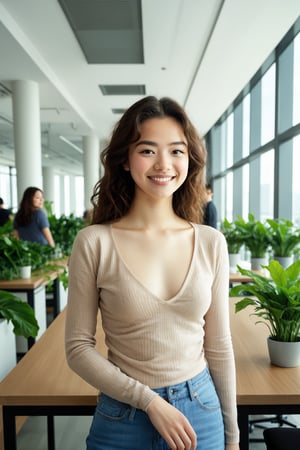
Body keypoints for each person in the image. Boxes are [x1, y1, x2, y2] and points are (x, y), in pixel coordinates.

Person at [65, 96, 240, 450]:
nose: (164, 163)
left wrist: (233, 437)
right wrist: (149, 401)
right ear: (125, 160)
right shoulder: (94, 242)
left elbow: (219, 347)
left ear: (189, 160)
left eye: (176, 151)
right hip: (122, 416)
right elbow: (77, 348)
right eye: (147, 150)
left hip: (200, 412)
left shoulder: (210, 242)